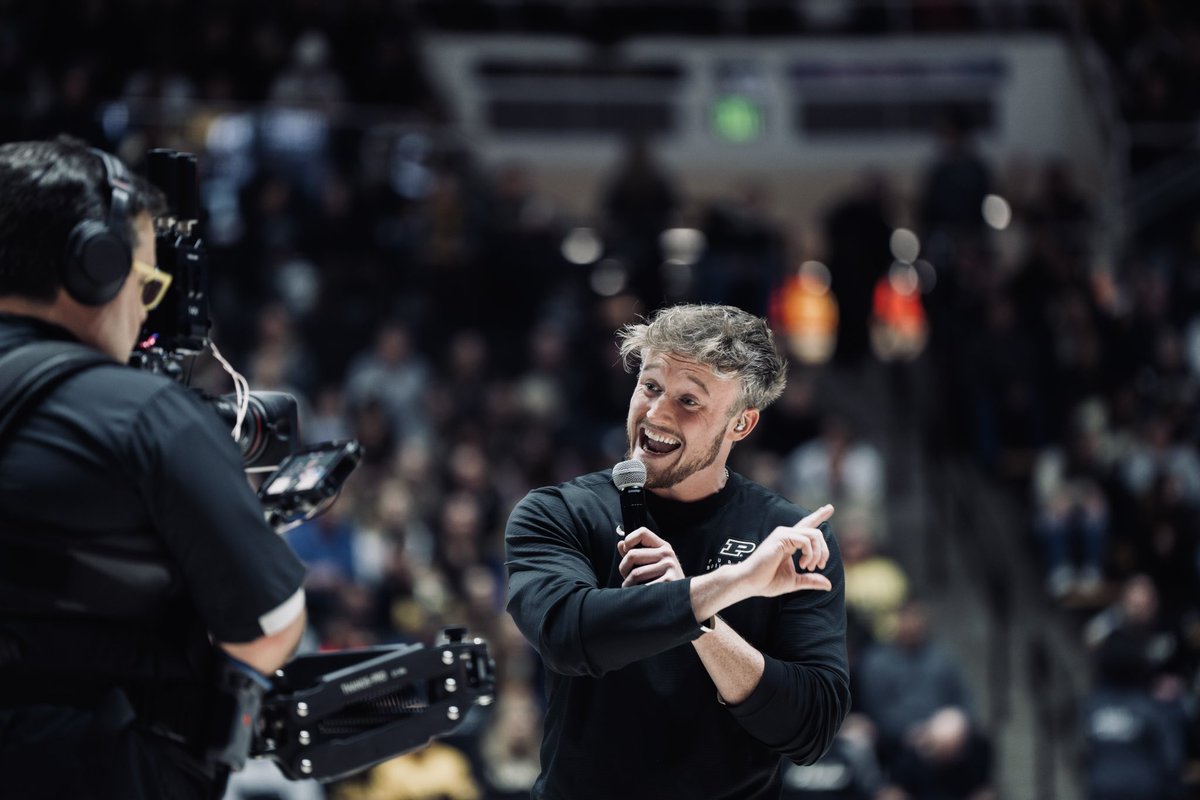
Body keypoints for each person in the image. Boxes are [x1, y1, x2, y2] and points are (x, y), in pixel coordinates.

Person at [0, 138, 307, 799]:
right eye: (145, 283)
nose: (145, 311)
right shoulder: (145, 417)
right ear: (94, 266)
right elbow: (270, 625)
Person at [505, 303, 850, 800]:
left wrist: (700, 619)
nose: (656, 413)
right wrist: (725, 586)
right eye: (650, 386)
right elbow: (565, 635)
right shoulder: (558, 512)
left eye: (689, 400)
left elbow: (810, 729)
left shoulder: (789, 537)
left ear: (741, 424)